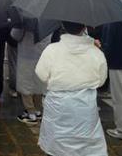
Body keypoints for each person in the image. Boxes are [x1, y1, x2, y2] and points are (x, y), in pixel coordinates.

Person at [35, 21, 108, 156]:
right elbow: (101, 80)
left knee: (56, 143)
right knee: (85, 144)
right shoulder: (95, 52)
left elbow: (41, 74)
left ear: (63, 26)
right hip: (85, 104)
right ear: (84, 27)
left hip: (57, 104)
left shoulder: (52, 50)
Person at [11, 27, 50, 125]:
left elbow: (15, 35)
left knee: (25, 83)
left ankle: (30, 112)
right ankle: (38, 109)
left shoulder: (25, 18)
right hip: (42, 54)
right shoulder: (49, 20)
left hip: (26, 54)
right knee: (39, 81)